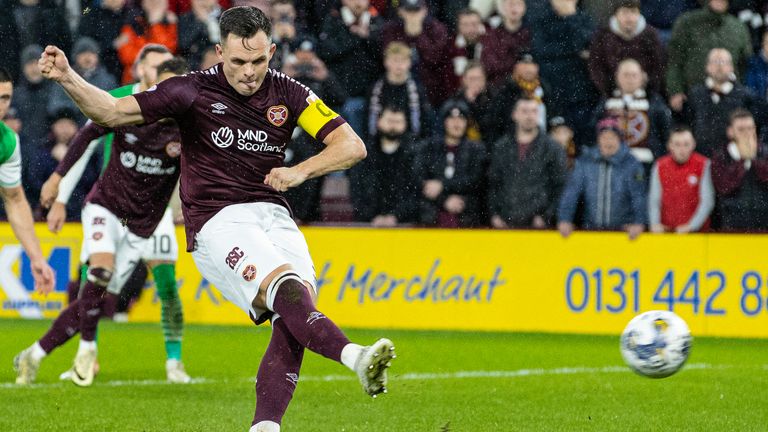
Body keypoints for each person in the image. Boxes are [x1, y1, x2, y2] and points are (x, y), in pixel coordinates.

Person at [37, 6, 395, 431]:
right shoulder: (188, 91)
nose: (249, 72)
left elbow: (351, 146)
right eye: (239, 61)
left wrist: (300, 171)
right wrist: (67, 78)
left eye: (259, 61)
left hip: (275, 216)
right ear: (219, 51)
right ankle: (355, 357)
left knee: (293, 313)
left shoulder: (291, 93)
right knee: (285, 291)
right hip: (218, 221)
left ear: (273, 52)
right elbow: (111, 113)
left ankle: (265, 427)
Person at [14, 59, 188, 387]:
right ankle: (87, 350)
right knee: (99, 273)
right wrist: (57, 179)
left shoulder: (190, 127)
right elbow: (87, 135)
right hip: (105, 208)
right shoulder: (126, 108)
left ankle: (34, 354)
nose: (168, 96)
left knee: (97, 299)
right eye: (162, 87)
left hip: (144, 223)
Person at [0, 68, 55, 304]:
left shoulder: (8, 142)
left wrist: (37, 258)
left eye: (4, 98)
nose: (1, 105)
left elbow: (15, 200)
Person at [558, 117, 646, 239]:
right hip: (591, 231)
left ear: (619, 140)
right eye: (604, 137)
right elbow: (571, 193)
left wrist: (639, 222)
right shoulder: (585, 162)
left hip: (622, 233)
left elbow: (639, 196)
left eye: (612, 137)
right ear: (598, 139)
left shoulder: (632, 164)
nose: (608, 142)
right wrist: (564, 219)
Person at [488, 97, 566, 229]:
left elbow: (561, 186)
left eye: (534, 111)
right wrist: (494, 214)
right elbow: (493, 183)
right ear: (514, 115)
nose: (529, 116)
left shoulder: (552, 148)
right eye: (524, 111)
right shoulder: (501, 147)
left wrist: (546, 217)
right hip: (504, 224)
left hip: (538, 226)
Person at [666, 0, 752, 115]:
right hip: (693, 99)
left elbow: (745, 64)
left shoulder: (738, 27)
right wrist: (675, 90)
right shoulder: (687, 22)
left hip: (731, 99)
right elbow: (675, 60)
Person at [417, 100, 487, 227]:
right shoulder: (428, 148)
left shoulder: (476, 150)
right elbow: (420, 181)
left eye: (461, 119)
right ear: (444, 122)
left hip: (468, 216)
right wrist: (444, 200)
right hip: (431, 218)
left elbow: (476, 181)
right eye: (452, 118)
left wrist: (443, 185)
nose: (457, 123)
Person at [351, 106, 421, 226]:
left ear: (405, 124)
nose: (393, 126)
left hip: (406, 225)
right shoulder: (364, 153)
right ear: (378, 122)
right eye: (389, 121)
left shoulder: (414, 154)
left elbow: (416, 192)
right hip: (367, 224)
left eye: (398, 121)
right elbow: (357, 190)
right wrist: (371, 216)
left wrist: (396, 216)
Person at [588, 0, 665, 97]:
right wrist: (610, 88)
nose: (629, 17)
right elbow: (596, 66)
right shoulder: (603, 35)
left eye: (633, 12)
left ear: (639, 14)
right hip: (610, 93)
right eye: (624, 12)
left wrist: (647, 86)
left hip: (647, 93)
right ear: (616, 15)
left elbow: (659, 65)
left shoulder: (651, 35)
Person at [649, 126, 714, 233]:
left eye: (686, 144)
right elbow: (654, 200)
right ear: (670, 145)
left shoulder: (704, 164)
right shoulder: (660, 165)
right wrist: (655, 224)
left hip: (697, 234)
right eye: (677, 144)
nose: (682, 149)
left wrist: (691, 226)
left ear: (693, 144)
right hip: (666, 233)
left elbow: (707, 201)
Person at [711, 109, 768, 231]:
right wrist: (742, 162)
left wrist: (753, 160)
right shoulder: (721, 155)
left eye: (750, 128)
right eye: (741, 129)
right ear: (730, 132)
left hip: (763, 224)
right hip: (733, 224)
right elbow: (723, 187)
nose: (747, 133)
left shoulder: (765, 152)